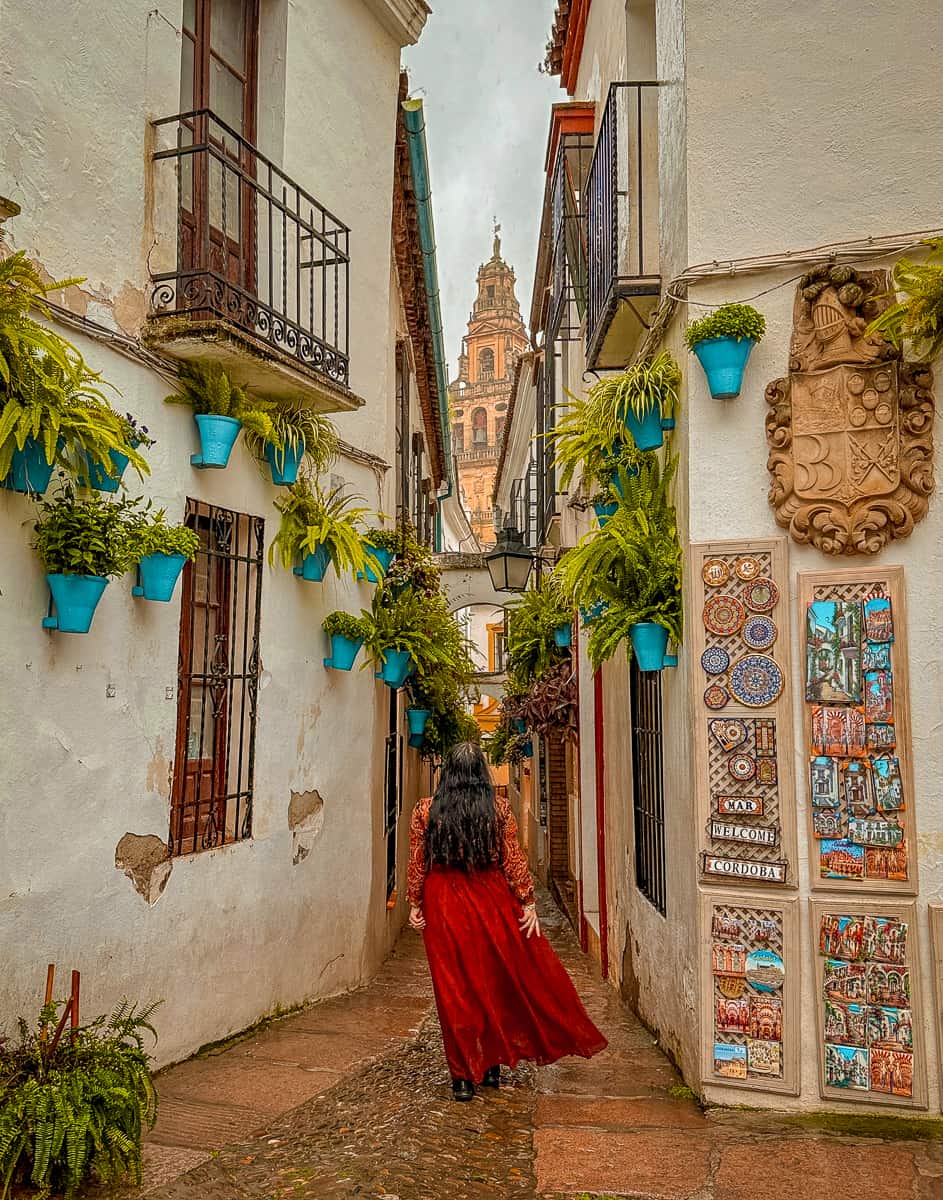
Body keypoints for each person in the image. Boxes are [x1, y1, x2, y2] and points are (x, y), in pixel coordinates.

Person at [407, 741, 607, 1101]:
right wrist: (527, 901)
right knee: (493, 980)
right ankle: (492, 1067)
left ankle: (462, 1077)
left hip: (444, 902)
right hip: (490, 897)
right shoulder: (498, 810)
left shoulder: (425, 811)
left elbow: (418, 861)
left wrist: (415, 902)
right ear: (482, 773)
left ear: (447, 774)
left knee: (453, 988)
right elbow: (512, 859)